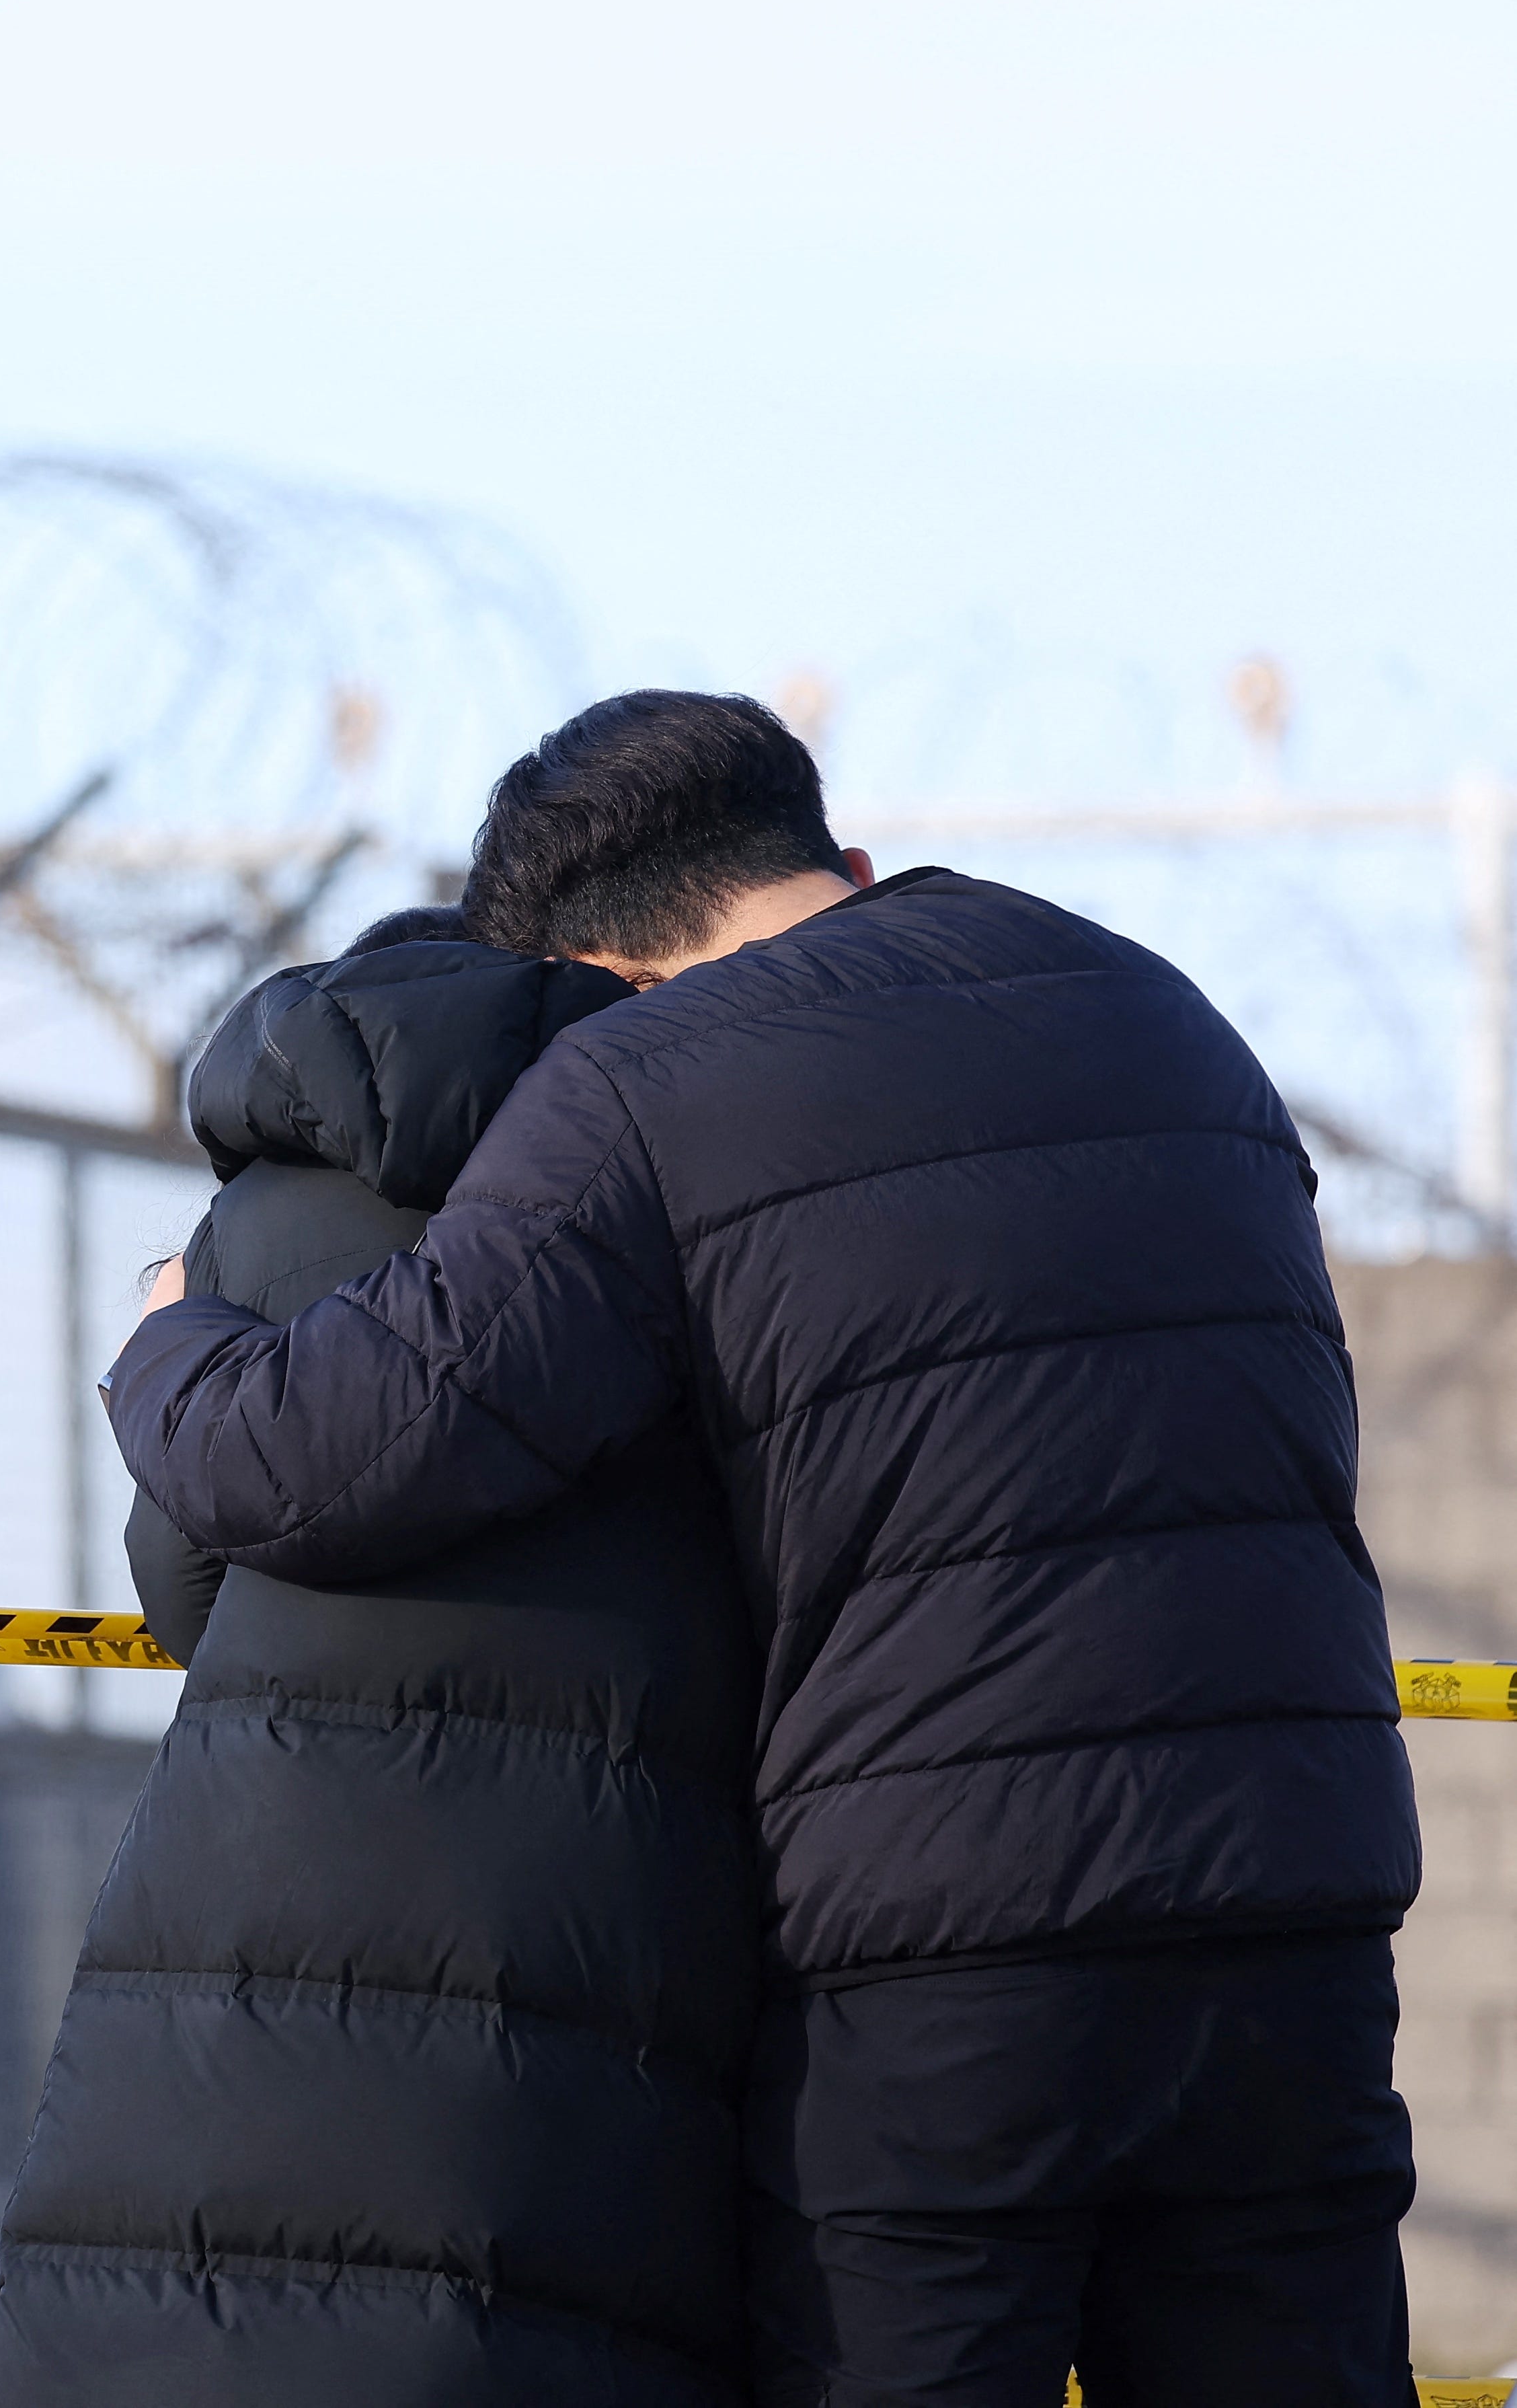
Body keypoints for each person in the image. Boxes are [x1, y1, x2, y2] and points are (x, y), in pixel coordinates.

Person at [105, 691, 1422, 2407]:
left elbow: (332, 1450)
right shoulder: (1154, 1006)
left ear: (592, 973)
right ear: (841, 862)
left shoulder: (640, 1082)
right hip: (1296, 1896)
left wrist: (163, 1341)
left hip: (951, 1937)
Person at [0, 906, 763, 2407]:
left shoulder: (260, 1214)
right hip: (572, 1928)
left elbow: (180, 1570)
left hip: (227, 1917)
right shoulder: (680, 1183)